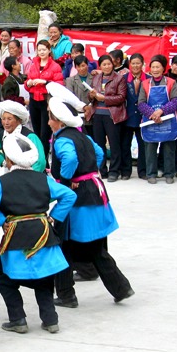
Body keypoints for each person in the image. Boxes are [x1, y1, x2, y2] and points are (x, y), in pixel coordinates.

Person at [0, 132, 74, 334]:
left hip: (15, 233)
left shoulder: (2, 183)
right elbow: (69, 195)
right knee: (44, 279)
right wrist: (54, 216)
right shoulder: (43, 180)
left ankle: (18, 319)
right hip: (42, 233)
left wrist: (1, 221)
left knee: (4, 279)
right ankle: (50, 320)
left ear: (9, 159)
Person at [48, 97, 134, 308]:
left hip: (78, 200)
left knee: (64, 245)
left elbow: (69, 159)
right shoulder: (81, 136)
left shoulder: (62, 140)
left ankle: (67, 295)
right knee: (95, 247)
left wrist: (68, 180)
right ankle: (121, 288)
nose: (48, 123)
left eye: (50, 119)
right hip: (94, 191)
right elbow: (98, 153)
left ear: (58, 121)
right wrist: (87, 173)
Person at [137, 55, 177, 184]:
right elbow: (141, 103)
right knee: (150, 147)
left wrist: (161, 111)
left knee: (168, 147)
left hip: (167, 119)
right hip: (150, 120)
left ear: (163, 68)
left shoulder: (171, 82)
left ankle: (169, 174)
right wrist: (153, 114)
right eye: (153, 67)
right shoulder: (145, 83)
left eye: (158, 67)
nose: (155, 69)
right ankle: (151, 174)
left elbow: (176, 101)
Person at [85, 54, 128, 182]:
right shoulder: (97, 78)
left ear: (113, 64)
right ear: (100, 66)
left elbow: (121, 97)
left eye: (109, 64)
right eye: (104, 64)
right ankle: (102, 170)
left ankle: (114, 171)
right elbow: (90, 97)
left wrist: (104, 98)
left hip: (112, 115)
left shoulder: (119, 78)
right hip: (97, 115)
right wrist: (91, 95)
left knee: (114, 144)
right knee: (99, 145)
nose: (107, 66)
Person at [25, 40, 65, 153]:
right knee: (36, 132)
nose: (41, 52)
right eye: (39, 50)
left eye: (44, 49)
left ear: (49, 50)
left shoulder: (55, 66)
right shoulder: (33, 65)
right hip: (33, 100)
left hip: (46, 101)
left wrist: (45, 82)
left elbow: (59, 85)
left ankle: (46, 159)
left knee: (45, 134)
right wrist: (28, 83)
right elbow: (28, 81)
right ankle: (38, 158)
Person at [0, 99, 46, 172]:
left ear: (19, 120)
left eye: (9, 119)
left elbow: (40, 162)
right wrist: (5, 163)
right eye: (3, 119)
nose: (6, 123)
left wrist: (31, 176)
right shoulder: (2, 135)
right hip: (12, 175)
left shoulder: (30, 136)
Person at [120, 53, 146, 181]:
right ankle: (126, 171)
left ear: (142, 64)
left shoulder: (148, 79)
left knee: (144, 145)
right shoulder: (123, 79)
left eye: (138, 63)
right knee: (125, 145)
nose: (135, 66)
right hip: (127, 117)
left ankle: (143, 171)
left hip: (143, 117)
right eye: (133, 63)